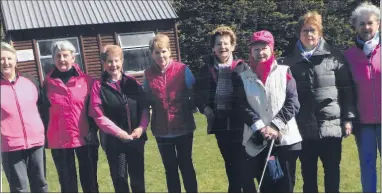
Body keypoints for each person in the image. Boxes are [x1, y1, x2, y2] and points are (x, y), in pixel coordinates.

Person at [280, 11, 356, 193]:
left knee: (332, 174)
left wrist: (348, 119)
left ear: (320, 32)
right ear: (299, 34)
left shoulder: (335, 58)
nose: (309, 35)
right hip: (304, 129)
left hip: (332, 127)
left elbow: (347, 91)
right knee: (308, 176)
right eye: (305, 31)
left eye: (313, 30)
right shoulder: (289, 62)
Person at [237, 30, 302, 193]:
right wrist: (260, 126)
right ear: (251, 51)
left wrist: (275, 125)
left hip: (285, 140)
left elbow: (293, 102)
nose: (260, 52)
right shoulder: (243, 77)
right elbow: (241, 105)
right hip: (258, 141)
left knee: (286, 186)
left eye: (264, 48)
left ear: (272, 48)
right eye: (256, 48)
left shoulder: (284, 71)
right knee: (265, 186)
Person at [194, 26, 250, 192]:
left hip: (242, 126)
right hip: (220, 126)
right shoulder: (205, 70)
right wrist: (206, 109)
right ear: (213, 48)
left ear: (233, 46)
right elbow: (197, 95)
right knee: (230, 166)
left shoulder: (243, 67)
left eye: (226, 43)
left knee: (245, 167)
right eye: (218, 44)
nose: (222, 47)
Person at [89, 45, 149, 193]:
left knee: (138, 180)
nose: (113, 65)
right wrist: (119, 133)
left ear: (122, 61)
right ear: (103, 63)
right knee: (120, 179)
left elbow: (144, 108)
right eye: (109, 61)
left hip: (136, 139)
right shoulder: (98, 86)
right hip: (114, 142)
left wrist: (141, 128)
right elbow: (98, 116)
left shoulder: (132, 82)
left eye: (116, 60)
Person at [143, 34, 198, 193]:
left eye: (164, 51)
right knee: (170, 169)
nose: (161, 56)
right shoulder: (148, 74)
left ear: (170, 51)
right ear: (152, 54)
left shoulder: (182, 69)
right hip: (161, 130)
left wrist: (190, 107)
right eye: (157, 52)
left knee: (186, 165)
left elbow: (194, 92)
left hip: (184, 127)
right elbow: (146, 99)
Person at [43, 40, 99, 193]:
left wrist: (93, 131)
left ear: (73, 58)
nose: (62, 59)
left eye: (65, 55)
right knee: (67, 185)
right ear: (53, 59)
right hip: (59, 140)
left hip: (85, 138)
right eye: (58, 56)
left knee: (90, 183)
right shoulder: (46, 84)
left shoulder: (88, 81)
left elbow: (96, 110)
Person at [1, 42, 48, 193]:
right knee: (19, 188)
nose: (6, 62)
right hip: (10, 144)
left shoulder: (30, 80)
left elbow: (43, 106)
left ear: (15, 60)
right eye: (1, 59)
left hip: (36, 142)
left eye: (9, 58)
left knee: (40, 184)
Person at [344, 2, 381, 193]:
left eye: (370, 23)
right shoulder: (348, 56)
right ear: (355, 26)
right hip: (363, 123)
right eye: (361, 24)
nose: (366, 27)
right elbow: (346, 91)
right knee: (367, 167)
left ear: (378, 25)